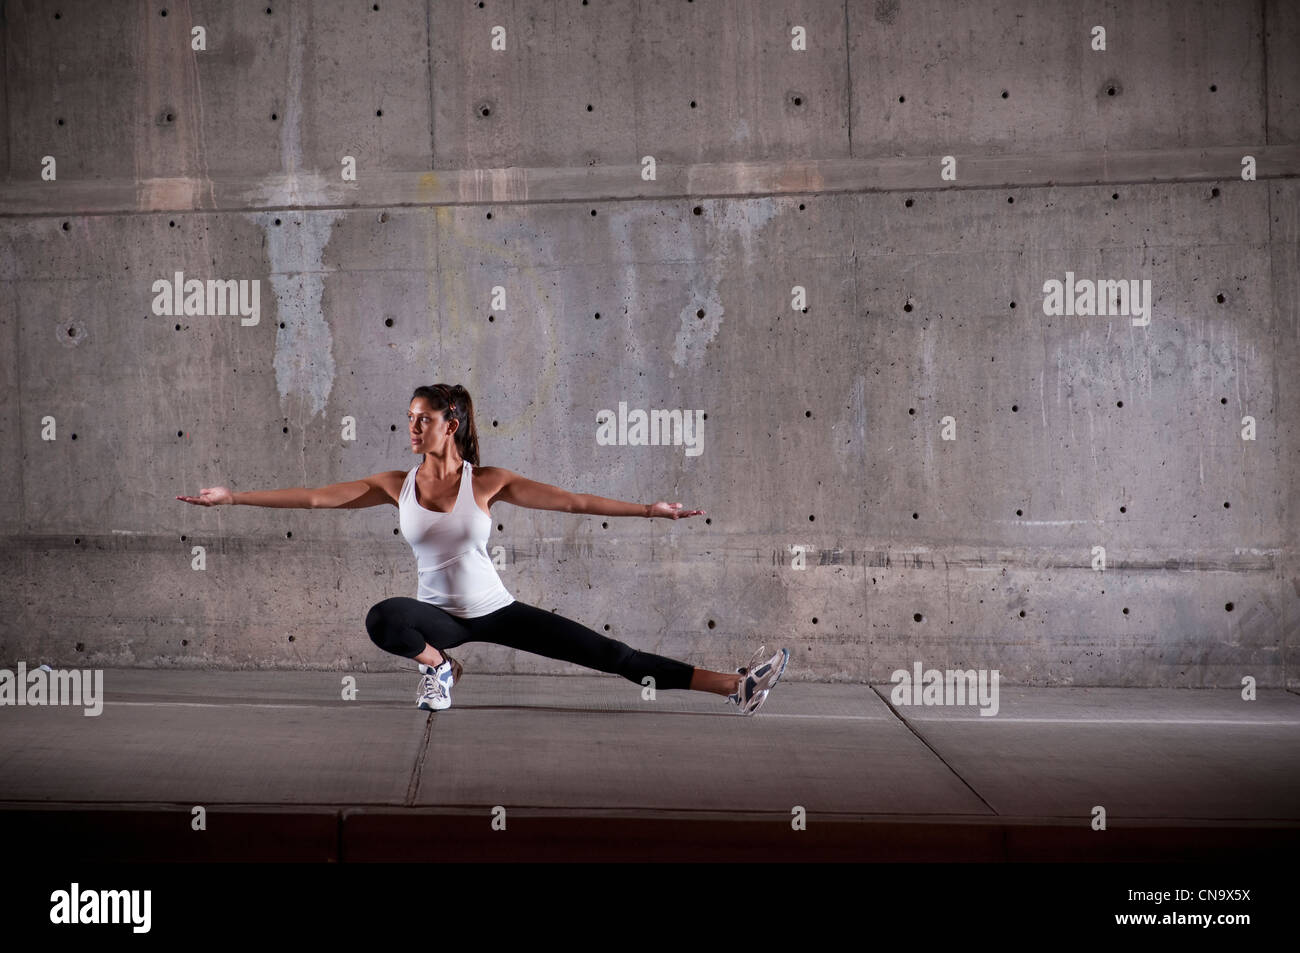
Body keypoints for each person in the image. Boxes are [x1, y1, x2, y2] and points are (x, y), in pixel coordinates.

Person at [177, 383, 789, 715]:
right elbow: (315, 498)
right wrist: (234, 498)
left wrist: (651, 511)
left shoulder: (487, 480)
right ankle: (438, 667)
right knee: (384, 617)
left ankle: (733, 686)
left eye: (422, 419)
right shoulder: (396, 485)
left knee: (614, 656)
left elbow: (574, 502)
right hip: (438, 618)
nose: (412, 427)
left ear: (453, 422)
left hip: (497, 609)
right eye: (409, 418)